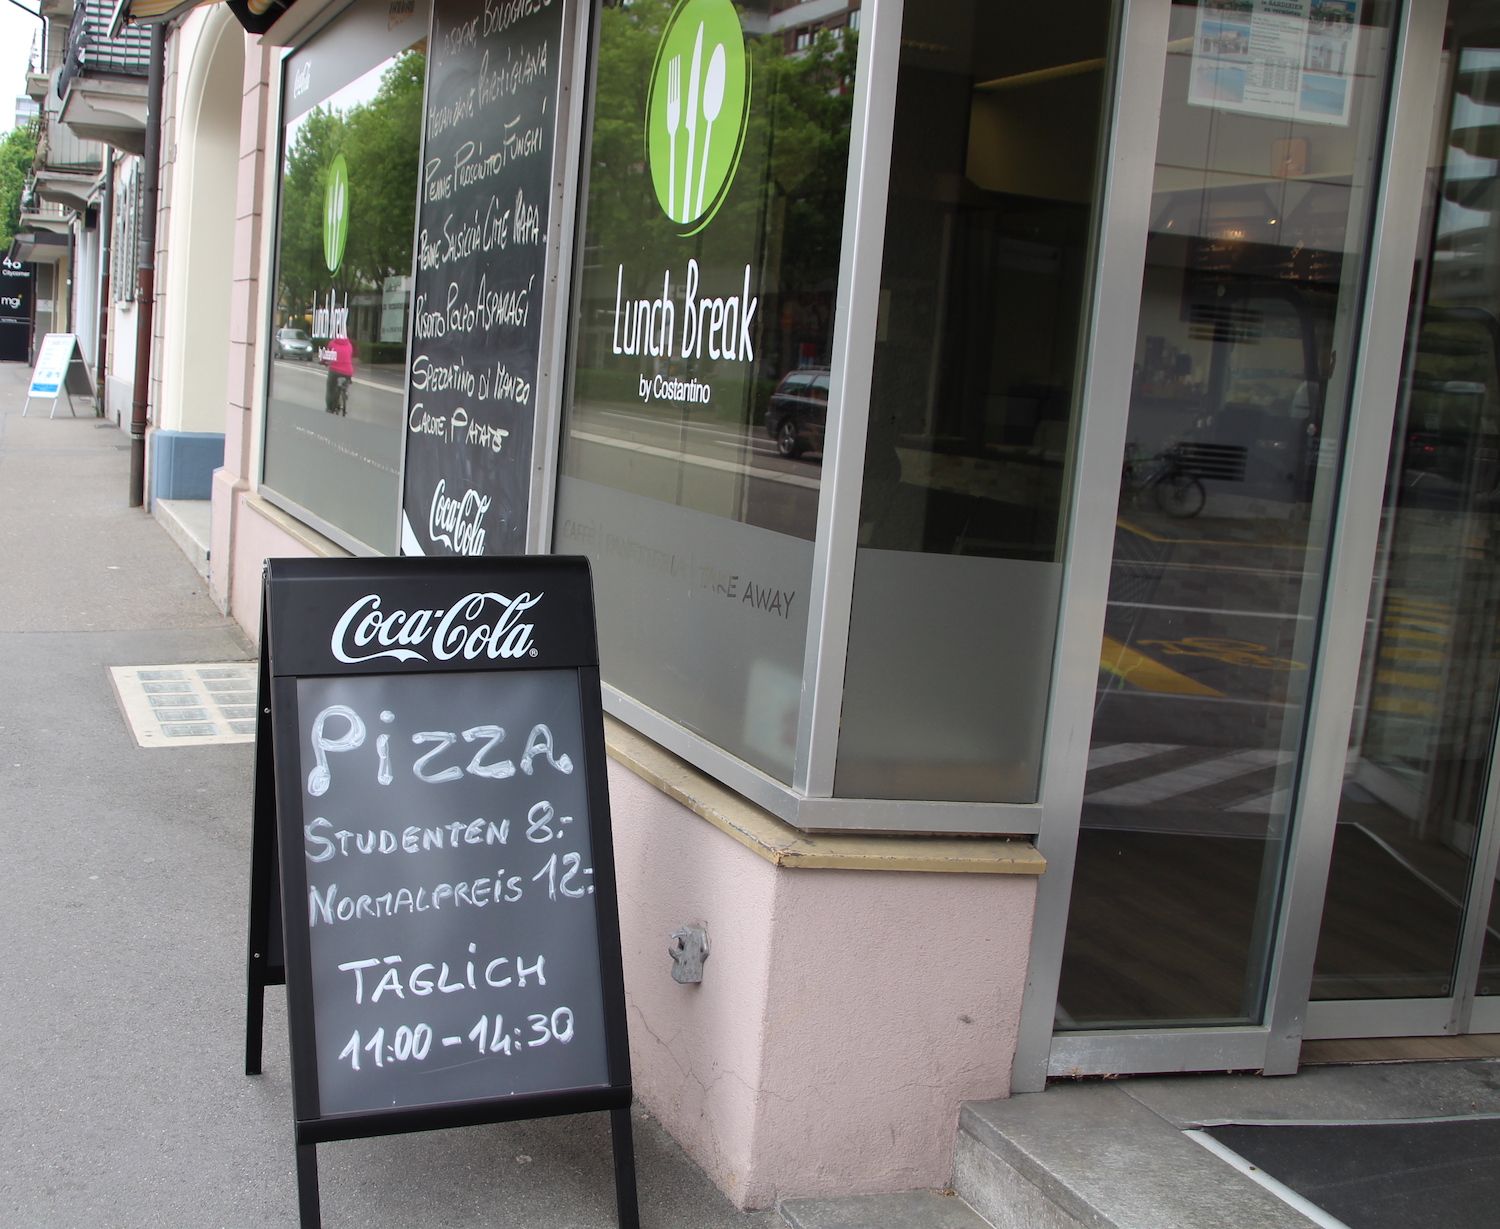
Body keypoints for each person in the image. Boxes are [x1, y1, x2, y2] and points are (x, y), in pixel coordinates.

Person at [323, 333, 354, 414]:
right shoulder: (349, 344)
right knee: (346, 381)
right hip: (348, 371)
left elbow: (326, 356)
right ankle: (345, 391)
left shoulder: (332, 343)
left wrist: (323, 362)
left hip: (334, 370)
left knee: (330, 389)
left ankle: (329, 409)